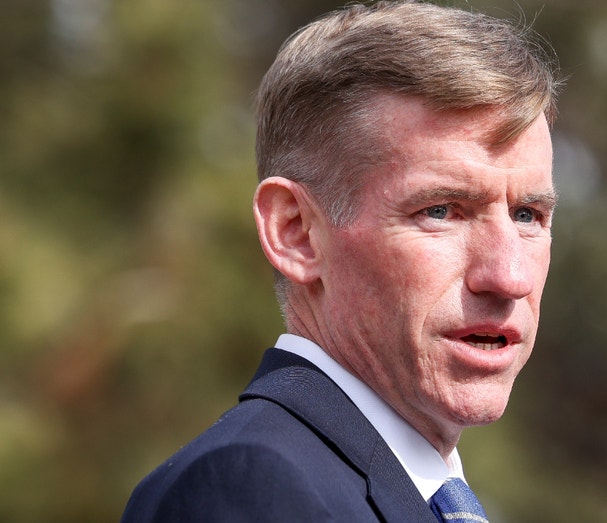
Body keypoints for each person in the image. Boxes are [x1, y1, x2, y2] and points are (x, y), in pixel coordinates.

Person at [121, 1, 560, 521]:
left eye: (528, 215)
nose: (510, 276)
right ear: (296, 234)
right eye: (441, 211)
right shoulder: (252, 488)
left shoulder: (412, 494)